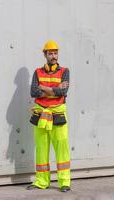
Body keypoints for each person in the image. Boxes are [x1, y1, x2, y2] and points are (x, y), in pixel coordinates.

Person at [27, 40, 71, 192]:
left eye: (55, 53)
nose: (54, 56)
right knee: (41, 149)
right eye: (50, 53)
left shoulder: (65, 71)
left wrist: (44, 88)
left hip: (57, 113)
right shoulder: (37, 72)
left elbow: (63, 92)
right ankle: (41, 181)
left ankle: (64, 182)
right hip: (41, 114)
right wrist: (54, 89)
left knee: (61, 148)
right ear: (45, 54)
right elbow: (33, 92)